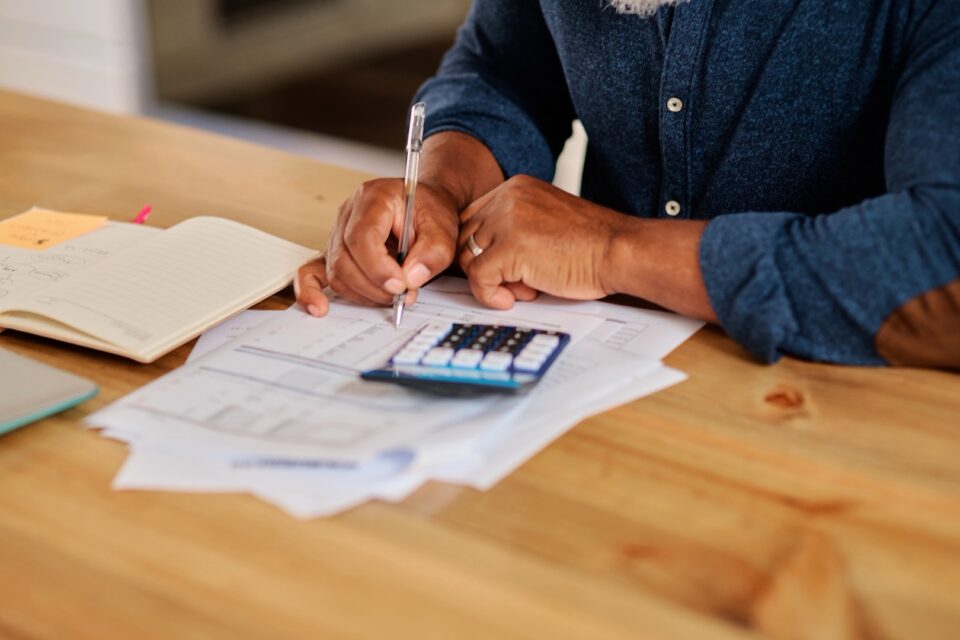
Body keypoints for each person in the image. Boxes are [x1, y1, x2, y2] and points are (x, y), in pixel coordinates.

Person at [295, 0, 960, 370]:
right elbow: (501, 70)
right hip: (596, 385)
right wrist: (440, 188)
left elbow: (945, 259)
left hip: (854, 421)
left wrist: (613, 248)